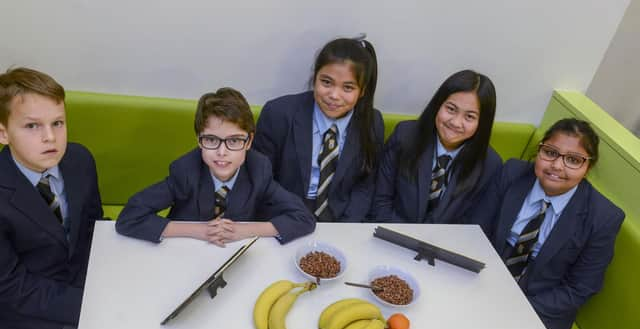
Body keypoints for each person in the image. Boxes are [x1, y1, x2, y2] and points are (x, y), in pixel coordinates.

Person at [474, 118, 625, 329]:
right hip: (487, 274)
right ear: (540, 149)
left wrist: (514, 305)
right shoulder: (513, 172)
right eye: (550, 153)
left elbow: (580, 288)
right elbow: (476, 229)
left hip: (543, 304)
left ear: (589, 167)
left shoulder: (603, 217)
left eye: (574, 160)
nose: (557, 165)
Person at [0, 67, 103, 329]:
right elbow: (13, 288)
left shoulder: (79, 159)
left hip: (83, 281)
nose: (50, 137)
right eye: (32, 126)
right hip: (31, 311)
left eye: (58, 123)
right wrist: (93, 303)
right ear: (3, 132)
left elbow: (92, 224)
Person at [116, 87, 315, 245]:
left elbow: (303, 218)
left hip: (235, 255)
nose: (222, 152)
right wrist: (200, 230)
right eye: (211, 139)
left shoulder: (259, 170)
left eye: (234, 141)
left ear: (249, 141)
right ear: (198, 139)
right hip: (186, 251)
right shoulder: (185, 170)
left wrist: (244, 230)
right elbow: (129, 218)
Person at [253, 36, 384, 222]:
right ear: (315, 77)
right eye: (326, 82)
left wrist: (347, 225)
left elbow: (366, 184)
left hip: (341, 217)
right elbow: (262, 178)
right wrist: (294, 220)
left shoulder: (372, 122)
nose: (334, 95)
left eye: (348, 88)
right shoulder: (278, 114)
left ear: (362, 91)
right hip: (284, 212)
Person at [372, 69, 502, 223]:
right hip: (389, 235)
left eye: (469, 116)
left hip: (444, 245)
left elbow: (472, 224)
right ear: (438, 105)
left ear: (482, 123)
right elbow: (380, 201)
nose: (455, 122)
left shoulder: (490, 164)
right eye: (451, 109)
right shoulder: (405, 135)